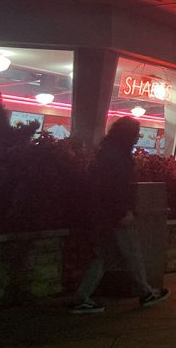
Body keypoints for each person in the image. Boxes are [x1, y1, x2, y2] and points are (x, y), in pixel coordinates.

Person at [72, 117, 170, 314]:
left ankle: (83, 296)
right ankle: (144, 292)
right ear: (128, 135)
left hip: (103, 213)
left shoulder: (108, 153)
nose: (137, 138)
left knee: (106, 255)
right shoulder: (117, 157)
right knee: (129, 253)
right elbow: (114, 188)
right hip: (114, 214)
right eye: (136, 134)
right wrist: (122, 210)